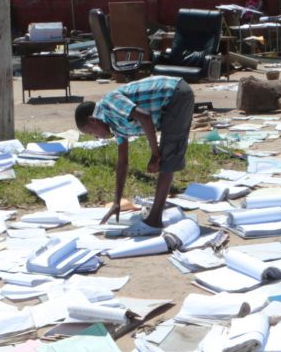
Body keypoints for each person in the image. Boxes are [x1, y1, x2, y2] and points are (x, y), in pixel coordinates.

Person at [74, 75, 195, 235]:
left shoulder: (110, 103)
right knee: (166, 159)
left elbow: (144, 117)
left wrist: (155, 154)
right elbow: (122, 162)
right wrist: (117, 202)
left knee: (167, 159)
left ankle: (154, 220)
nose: (96, 137)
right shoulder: (114, 125)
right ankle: (155, 216)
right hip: (172, 99)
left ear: (93, 121)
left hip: (175, 94)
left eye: (90, 132)